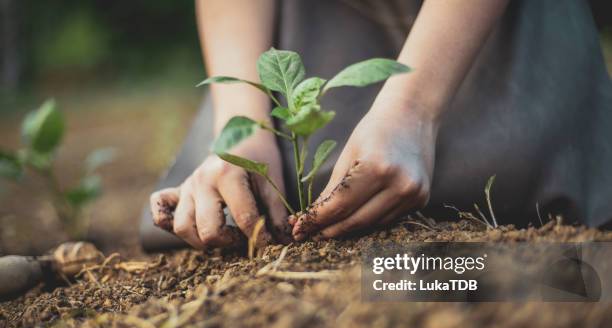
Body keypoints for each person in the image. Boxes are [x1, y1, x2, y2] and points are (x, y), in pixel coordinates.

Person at [140, 0, 612, 252]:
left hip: (481, 31)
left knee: (514, 169)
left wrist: (414, 109)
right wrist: (241, 128)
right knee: (229, 195)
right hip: (301, 25)